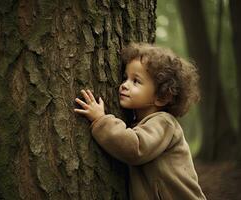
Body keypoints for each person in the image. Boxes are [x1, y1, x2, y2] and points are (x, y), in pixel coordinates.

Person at [74, 43, 206, 200]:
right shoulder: (143, 123)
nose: (124, 85)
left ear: (162, 97)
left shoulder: (164, 123)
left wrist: (101, 120)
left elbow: (135, 148)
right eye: (125, 78)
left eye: (136, 81)